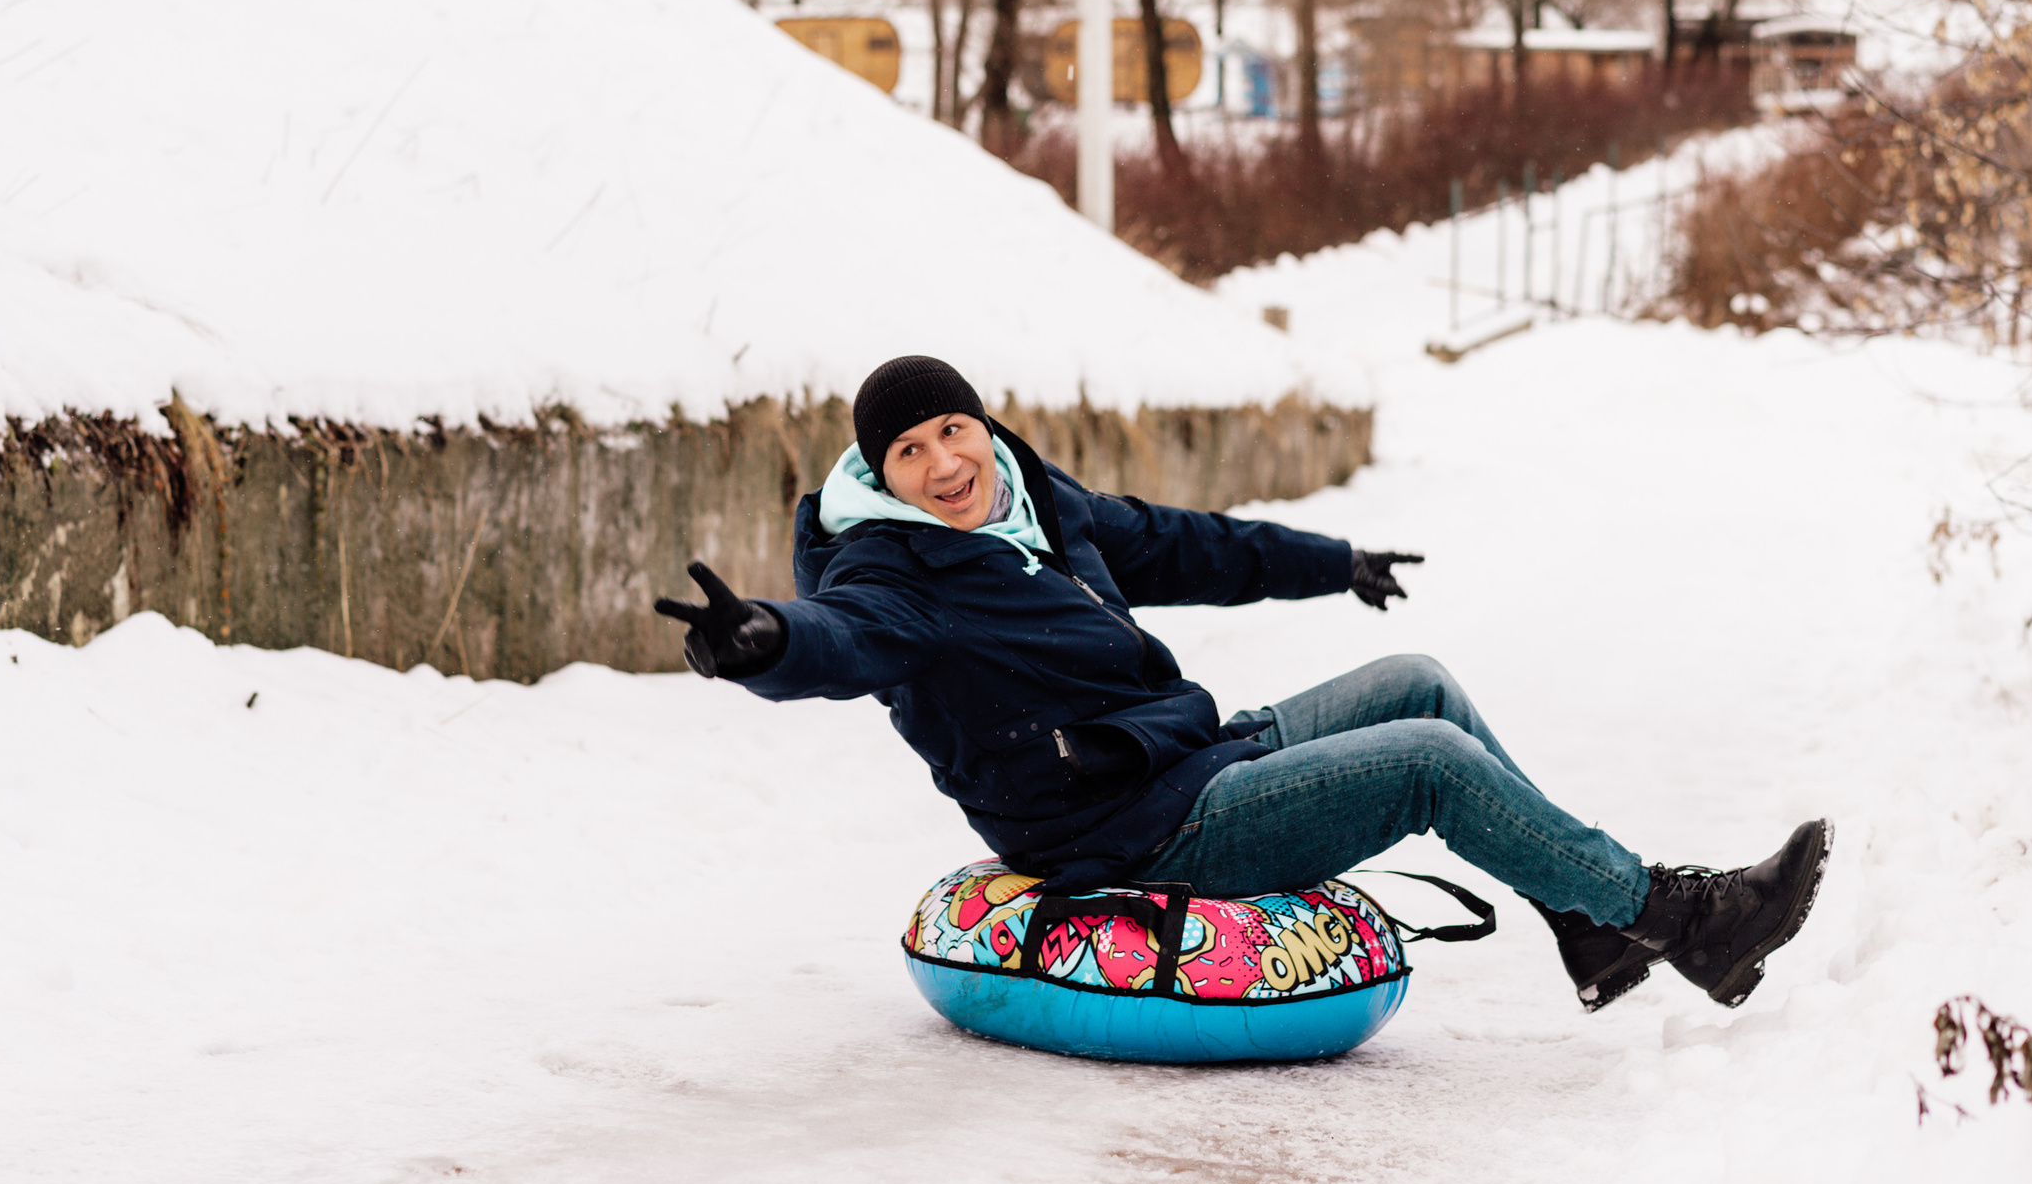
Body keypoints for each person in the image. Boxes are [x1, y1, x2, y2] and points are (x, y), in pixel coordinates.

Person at [655, 355, 1830, 1011]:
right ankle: (1682, 921)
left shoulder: (1037, 504)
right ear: (883, 474)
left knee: (1416, 681)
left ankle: (1584, 926)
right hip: (1127, 828)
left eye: (953, 429)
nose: (945, 462)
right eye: (911, 452)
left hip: (1188, 761)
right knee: (1428, 765)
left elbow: (1178, 541)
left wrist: (1331, 564)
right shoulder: (893, 569)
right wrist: (761, 642)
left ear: (983, 428)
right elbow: (842, 636)